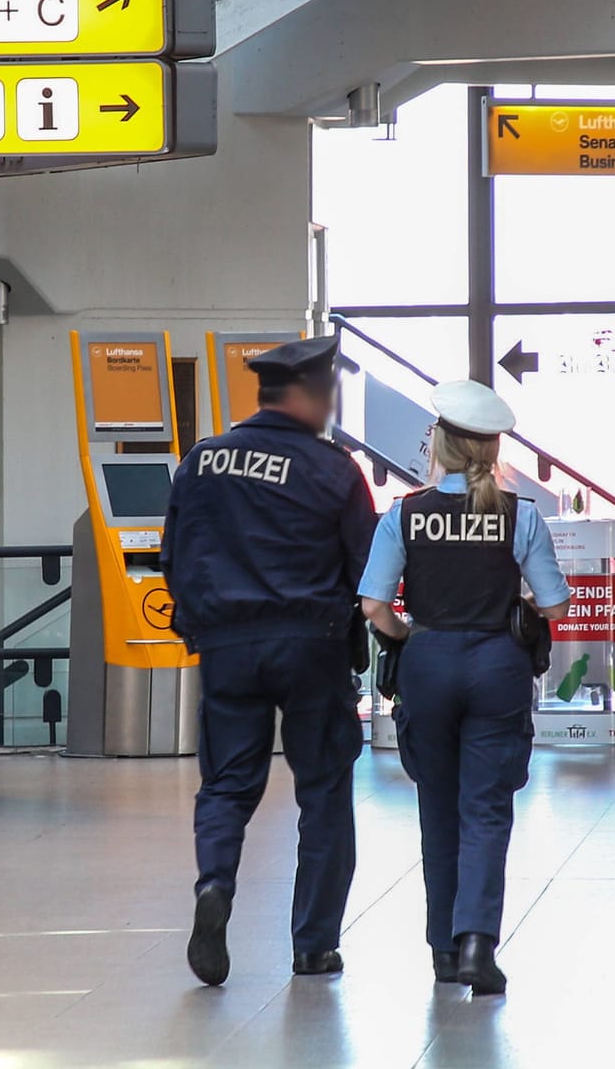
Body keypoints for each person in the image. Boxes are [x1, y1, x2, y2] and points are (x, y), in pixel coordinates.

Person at [160, 334, 378, 987]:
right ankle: (314, 945)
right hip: (311, 647)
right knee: (323, 789)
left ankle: (214, 885)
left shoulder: (201, 461)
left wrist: (204, 623)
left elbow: (173, 555)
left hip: (227, 646)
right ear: (310, 395)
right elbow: (366, 568)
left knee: (226, 785)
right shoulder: (334, 469)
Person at [358, 380, 570, 996]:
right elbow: (554, 605)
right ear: (490, 450)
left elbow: (374, 606)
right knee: (485, 809)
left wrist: (408, 637)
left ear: (440, 447)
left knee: (437, 808)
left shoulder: (403, 513)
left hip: (427, 662)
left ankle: (444, 951)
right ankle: (479, 941)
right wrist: (520, 602)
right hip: (498, 666)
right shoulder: (520, 515)